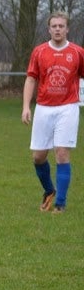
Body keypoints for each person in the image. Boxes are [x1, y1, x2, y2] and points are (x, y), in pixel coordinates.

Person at [22, 11, 84, 213]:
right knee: (38, 157)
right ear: (49, 29)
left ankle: (60, 204)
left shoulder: (77, 52)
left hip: (68, 108)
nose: (58, 29)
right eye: (54, 26)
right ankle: (50, 190)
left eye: (61, 26)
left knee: (62, 153)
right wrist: (26, 107)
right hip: (43, 108)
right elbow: (31, 79)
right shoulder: (39, 52)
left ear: (67, 29)